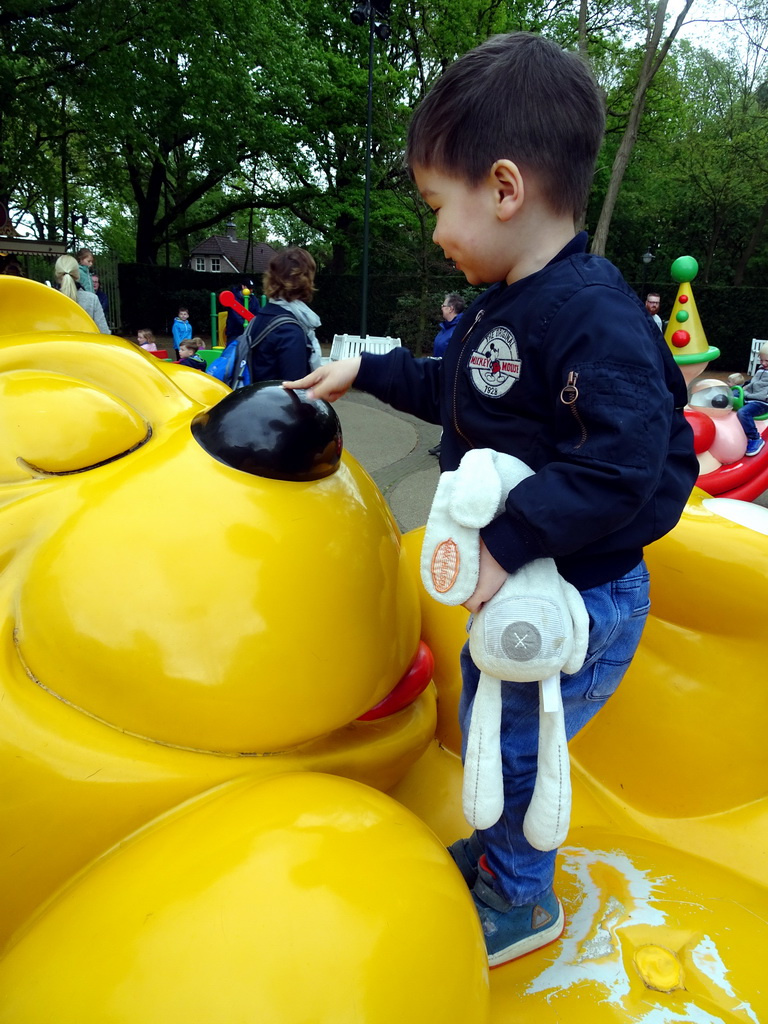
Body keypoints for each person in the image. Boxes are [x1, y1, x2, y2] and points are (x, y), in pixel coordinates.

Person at [284, 33, 697, 969]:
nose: (433, 231)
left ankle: (521, 898)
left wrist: (508, 540)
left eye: (438, 205)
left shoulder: (590, 314)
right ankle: (500, 844)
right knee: (489, 721)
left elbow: (624, 466)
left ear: (504, 189)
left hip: (577, 604)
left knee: (514, 746)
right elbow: (459, 391)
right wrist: (367, 369)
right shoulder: (500, 307)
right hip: (515, 597)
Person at [246, 247, 322, 382]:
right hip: (273, 403)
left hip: (253, 399)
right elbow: (296, 390)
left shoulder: (261, 317)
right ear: (306, 280)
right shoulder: (290, 331)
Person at [430, 293, 466, 455]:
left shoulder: (460, 328)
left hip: (453, 376)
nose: (442, 308)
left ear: (451, 308)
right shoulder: (446, 328)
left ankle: (449, 446)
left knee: (451, 411)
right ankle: (443, 441)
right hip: (442, 373)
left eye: (444, 305)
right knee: (444, 410)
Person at [53, 254, 110, 333]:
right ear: (77, 274)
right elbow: (104, 332)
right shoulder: (92, 299)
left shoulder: (49, 300)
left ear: (57, 274)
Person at [736, 342, 768, 456]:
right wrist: (743, 387)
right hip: (749, 396)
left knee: (743, 412)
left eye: (767, 361)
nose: (763, 363)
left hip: (762, 402)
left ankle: (755, 438)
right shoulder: (761, 368)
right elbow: (753, 382)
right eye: (761, 359)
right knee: (731, 394)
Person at [433, 293, 466, 358]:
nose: (441, 308)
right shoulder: (445, 327)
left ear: (450, 309)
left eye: (443, 306)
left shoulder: (460, 329)